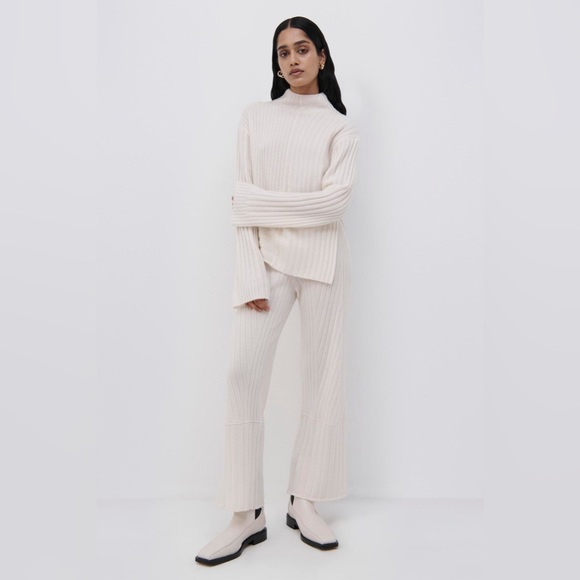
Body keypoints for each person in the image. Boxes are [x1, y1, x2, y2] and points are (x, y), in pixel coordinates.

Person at [195, 15, 359, 566]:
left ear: (322, 56)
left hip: (325, 264)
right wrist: (250, 272)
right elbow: (241, 207)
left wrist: (260, 204)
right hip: (266, 263)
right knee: (241, 373)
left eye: (302, 49)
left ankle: (304, 500)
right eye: (283, 52)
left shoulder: (340, 128)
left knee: (324, 378)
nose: (292, 60)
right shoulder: (255, 118)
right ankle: (246, 514)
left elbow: (334, 204)